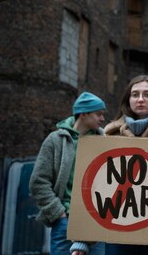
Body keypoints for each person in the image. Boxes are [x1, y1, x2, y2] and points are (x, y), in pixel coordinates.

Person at [29, 92, 107, 255]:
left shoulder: (105, 141)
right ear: (84, 114)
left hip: (97, 223)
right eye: (98, 114)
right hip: (66, 221)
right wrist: (58, 212)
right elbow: (38, 181)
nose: (102, 119)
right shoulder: (56, 140)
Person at [103, 75, 148, 255]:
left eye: (147, 94)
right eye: (135, 94)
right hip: (117, 227)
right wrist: (82, 241)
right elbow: (97, 188)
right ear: (127, 99)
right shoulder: (109, 134)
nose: (140, 99)